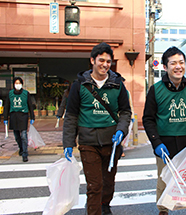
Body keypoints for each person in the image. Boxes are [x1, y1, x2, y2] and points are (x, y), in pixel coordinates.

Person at [62, 42, 131, 215]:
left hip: (112, 143)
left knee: (108, 183)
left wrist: (121, 131)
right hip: (88, 143)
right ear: (92, 60)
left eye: (108, 61)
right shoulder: (79, 85)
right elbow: (71, 115)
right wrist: (68, 143)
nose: (105, 65)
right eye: (101, 60)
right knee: (95, 185)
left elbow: (125, 112)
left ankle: (105, 206)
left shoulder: (118, 84)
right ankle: (94, 211)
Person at [142, 46, 186, 215]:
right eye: (173, 63)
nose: (178, 66)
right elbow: (148, 119)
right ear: (165, 67)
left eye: (181, 62)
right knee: (164, 180)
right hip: (164, 145)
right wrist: (156, 142)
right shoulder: (156, 90)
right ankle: (163, 210)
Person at [3, 77, 35, 162]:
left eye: (19, 83)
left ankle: (25, 153)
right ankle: (21, 148)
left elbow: (30, 105)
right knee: (17, 135)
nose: (18, 85)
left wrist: (32, 116)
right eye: (16, 83)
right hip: (13, 116)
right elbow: (7, 106)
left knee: (24, 135)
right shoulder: (10, 94)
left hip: (23, 116)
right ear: (14, 84)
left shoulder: (26, 93)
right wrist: (5, 117)